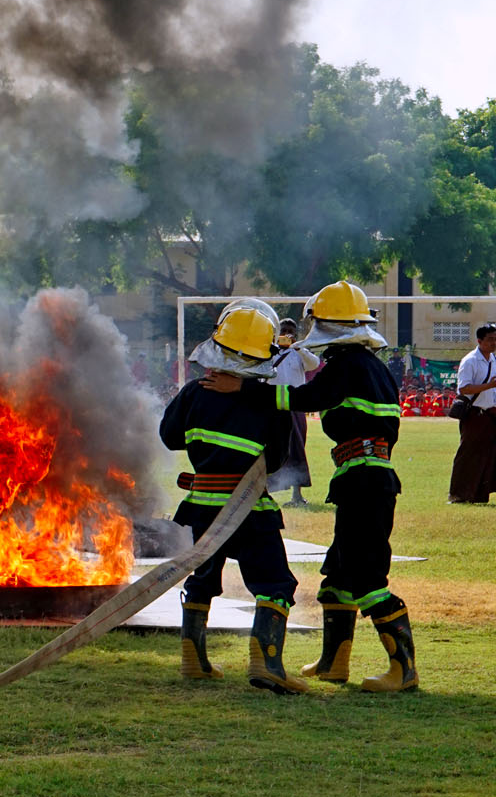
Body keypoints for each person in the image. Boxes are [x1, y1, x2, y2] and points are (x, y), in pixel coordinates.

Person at [203, 280, 415, 692]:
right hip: (362, 479)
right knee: (338, 576)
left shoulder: (348, 364)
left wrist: (243, 387)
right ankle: (334, 664)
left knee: (367, 577)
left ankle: (403, 670)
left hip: (365, 482)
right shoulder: (370, 366)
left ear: (328, 325)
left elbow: (304, 399)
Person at [162, 303, 304, 693]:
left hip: (202, 506)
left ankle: (194, 661)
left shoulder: (193, 392)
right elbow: (276, 459)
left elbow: (170, 437)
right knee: (275, 582)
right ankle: (267, 665)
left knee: (203, 577)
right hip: (248, 509)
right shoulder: (268, 401)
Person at [268, 318, 321, 507]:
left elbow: (314, 364)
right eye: (283, 331)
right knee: (270, 450)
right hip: (273, 407)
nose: (286, 334)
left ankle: (296, 495)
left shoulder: (299, 353)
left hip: (295, 406)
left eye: (290, 331)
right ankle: (266, 493)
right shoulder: (268, 352)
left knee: (297, 450)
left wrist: (298, 348)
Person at [449, 324, 496, 504]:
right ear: (479, 341)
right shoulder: (470, 360)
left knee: (488, 455)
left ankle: (479, 495)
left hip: (491, 414)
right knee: (468, 454)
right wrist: (489, 386)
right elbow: (464, 388)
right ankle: (458, 494)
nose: (494, 343)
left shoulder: (493, 359)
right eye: (490, 339)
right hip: (475, 414)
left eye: (495, 339)